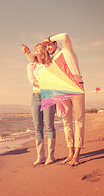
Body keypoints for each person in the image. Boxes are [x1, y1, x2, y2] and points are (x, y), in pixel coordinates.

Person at [24, 33, 85, 166]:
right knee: (66, 122)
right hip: (63, 91)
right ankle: (70, 153)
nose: (48, 48)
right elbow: (35, 62)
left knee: (78, 121)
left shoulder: (66, 50)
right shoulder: (51, 61)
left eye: (49, 45)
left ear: (55, 43)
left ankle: (77, 154)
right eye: (46, 47)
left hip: (77, 87)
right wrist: (29, 53)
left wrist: (49, 39)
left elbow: (65, 36)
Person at [23, 43, 56, 165]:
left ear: (43, 51)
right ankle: (40, 156)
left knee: (49, 126)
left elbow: (54, 78)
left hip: (49, 96)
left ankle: (51, 156)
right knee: (38, 127)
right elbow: (32, 81)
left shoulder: (50, 64)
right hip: (35, 97)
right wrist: (45, 83)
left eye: (38, 49)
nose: (36, 50)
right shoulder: (31, 66)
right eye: (35, 49)